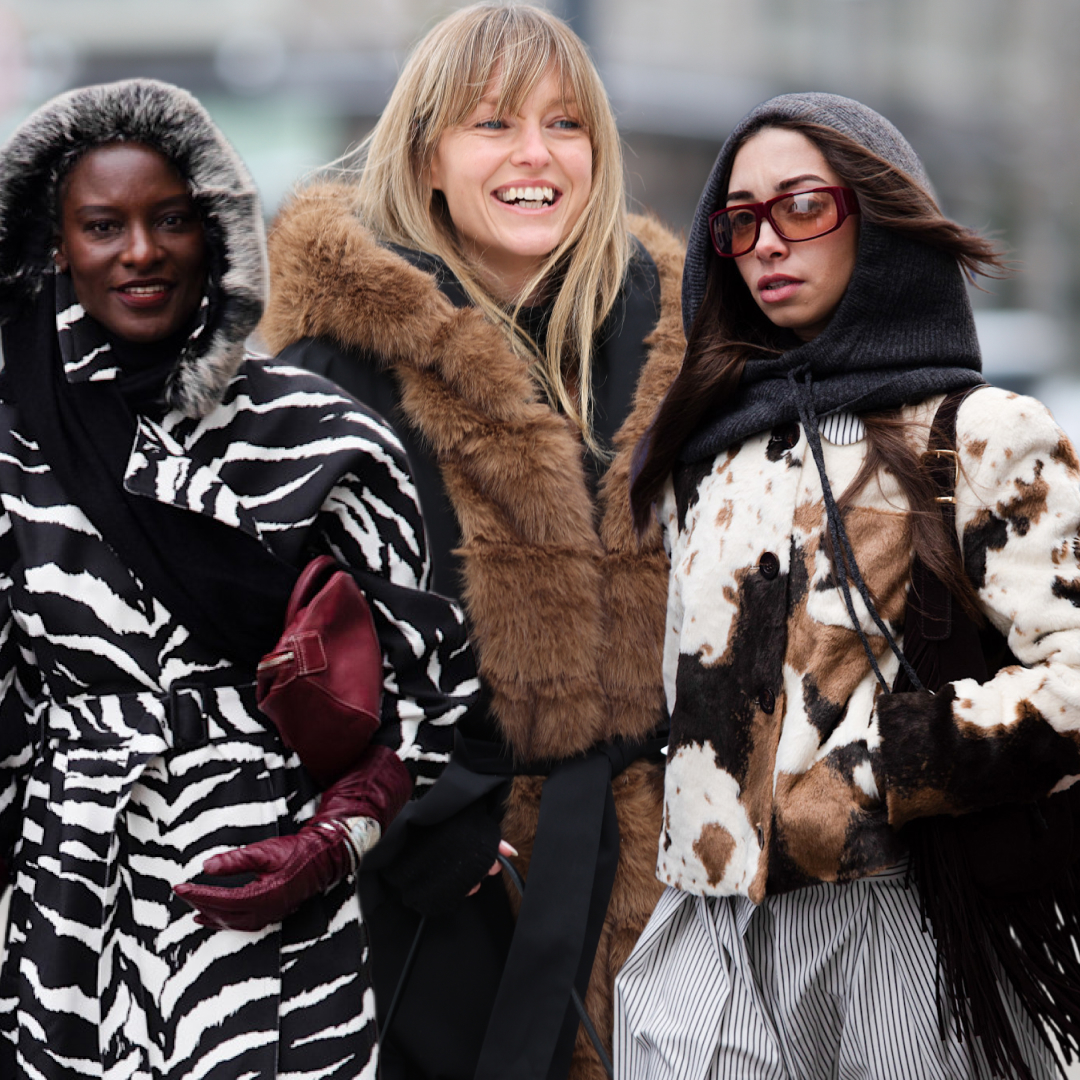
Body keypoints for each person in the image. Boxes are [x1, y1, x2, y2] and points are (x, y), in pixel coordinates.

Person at [0, 78, 475, 1079]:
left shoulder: (328, 437)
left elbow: (427, 691)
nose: (140, 251)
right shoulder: (11, 445)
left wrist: (333, 842)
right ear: (57, 244)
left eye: (171, 219)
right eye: (102, 225)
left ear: (217, 228)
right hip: (69, 911)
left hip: (273, 895)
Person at [259, 4, 686, 1077]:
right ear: (426, 159)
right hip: (433, 901)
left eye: (565, 124)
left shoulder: (683, 351)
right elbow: (271, 642)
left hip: (659, 898)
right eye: (494, 123)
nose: (536, 154)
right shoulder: (334, 373)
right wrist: (417, 820)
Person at [618, 91, 1080, 1080]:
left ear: (877, 213)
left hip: (899, 918)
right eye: (739, 221)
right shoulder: (709, 453)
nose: (766, 243)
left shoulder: (981, 432)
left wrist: (878, 774)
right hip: (705, 928)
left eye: (803, 206)